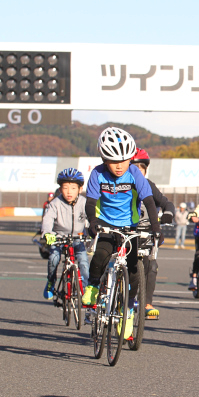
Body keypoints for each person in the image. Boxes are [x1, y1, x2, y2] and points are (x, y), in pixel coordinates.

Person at [82, 127, 161, 341]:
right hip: (106, 224)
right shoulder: (97, 174)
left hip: (130, 227)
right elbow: (90, 202)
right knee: (100, 255)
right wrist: (93, 221)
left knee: (135, 272)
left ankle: (127, 312)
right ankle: (93, 286)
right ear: (104, 159)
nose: (119, 166)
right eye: (113, 161)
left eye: (124, 160)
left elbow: (149, 201)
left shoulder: (134, 173)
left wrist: (155, 227)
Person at [131, 148, 175, 320]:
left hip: (147, 232)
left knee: (152, 265)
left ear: (145, 170)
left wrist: (168, 214)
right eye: (132, 167)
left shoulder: (149, 185)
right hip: (127, 232)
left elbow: (166, 203)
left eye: (140, 168)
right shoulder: (120, 186)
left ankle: (147, 303)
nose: (136, 171)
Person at [40, 168, 89, 302]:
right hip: (58, 238)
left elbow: (91, 218)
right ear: (60, 189)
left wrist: (92, 232)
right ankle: (50, 283)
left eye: (73, 188)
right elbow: (47, 219)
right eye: (65, 187)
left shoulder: (84, 202)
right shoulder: (55, 203)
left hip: (78, 239)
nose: (69, 191)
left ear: (80, 189)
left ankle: (86, 291)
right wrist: (47, 233)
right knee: (54, 259)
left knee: (84, 263)